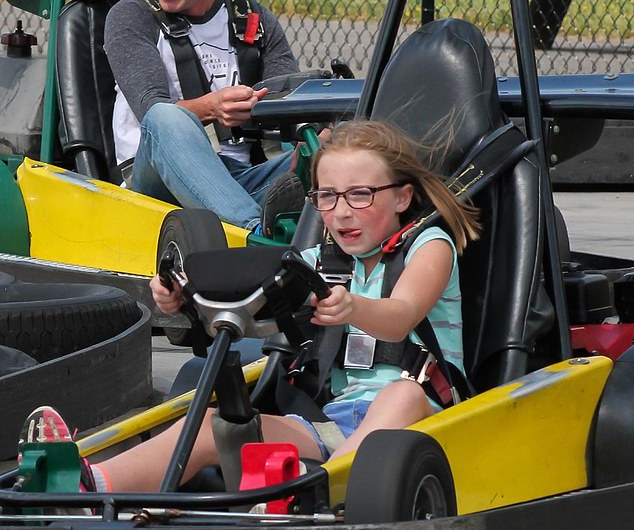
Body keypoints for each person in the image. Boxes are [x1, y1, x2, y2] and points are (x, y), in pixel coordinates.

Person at [19, 120, 479, 492]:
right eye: (327, 197)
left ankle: (319, 492)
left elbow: (401, 318)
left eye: (360, 195)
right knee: (218, 427)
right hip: (337, 422)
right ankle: (88, 485)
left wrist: (352, 308)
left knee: (401, 395)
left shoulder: (430, 246)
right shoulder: (319, 262)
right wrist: (181, 300)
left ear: (402, 196)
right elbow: (248, 305)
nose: (341, 213)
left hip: (429, 418)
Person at [104, 0, 303, 232]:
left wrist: (316, 140)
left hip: (244, 179)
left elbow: (290, 100)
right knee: (166, 117)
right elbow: (151, 109)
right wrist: (212, 108)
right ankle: (255, 232)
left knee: (335, 141)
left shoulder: (250, 17)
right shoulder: (131, 16)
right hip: (156, 185)